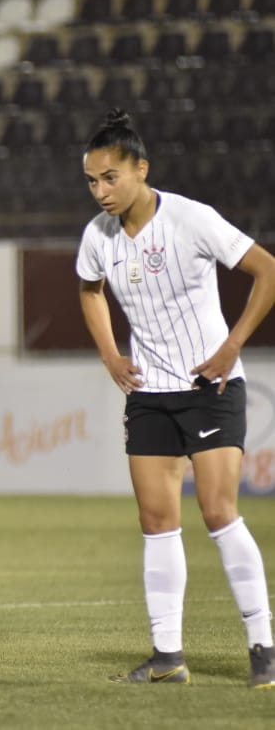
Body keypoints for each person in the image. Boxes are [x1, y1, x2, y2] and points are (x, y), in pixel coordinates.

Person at [77, 109, 275, 688]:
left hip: (210, 390)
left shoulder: (192, 218)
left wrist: (232, 345)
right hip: (149, 396)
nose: (100, 191)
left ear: (142, 168)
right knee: (157, 522)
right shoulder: (98, 237)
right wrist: (111, 355)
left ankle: (263, 648)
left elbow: (266, 270)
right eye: (91, 180)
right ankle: (168, 656)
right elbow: (89, 291)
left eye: (110, 177)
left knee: (218, 512)